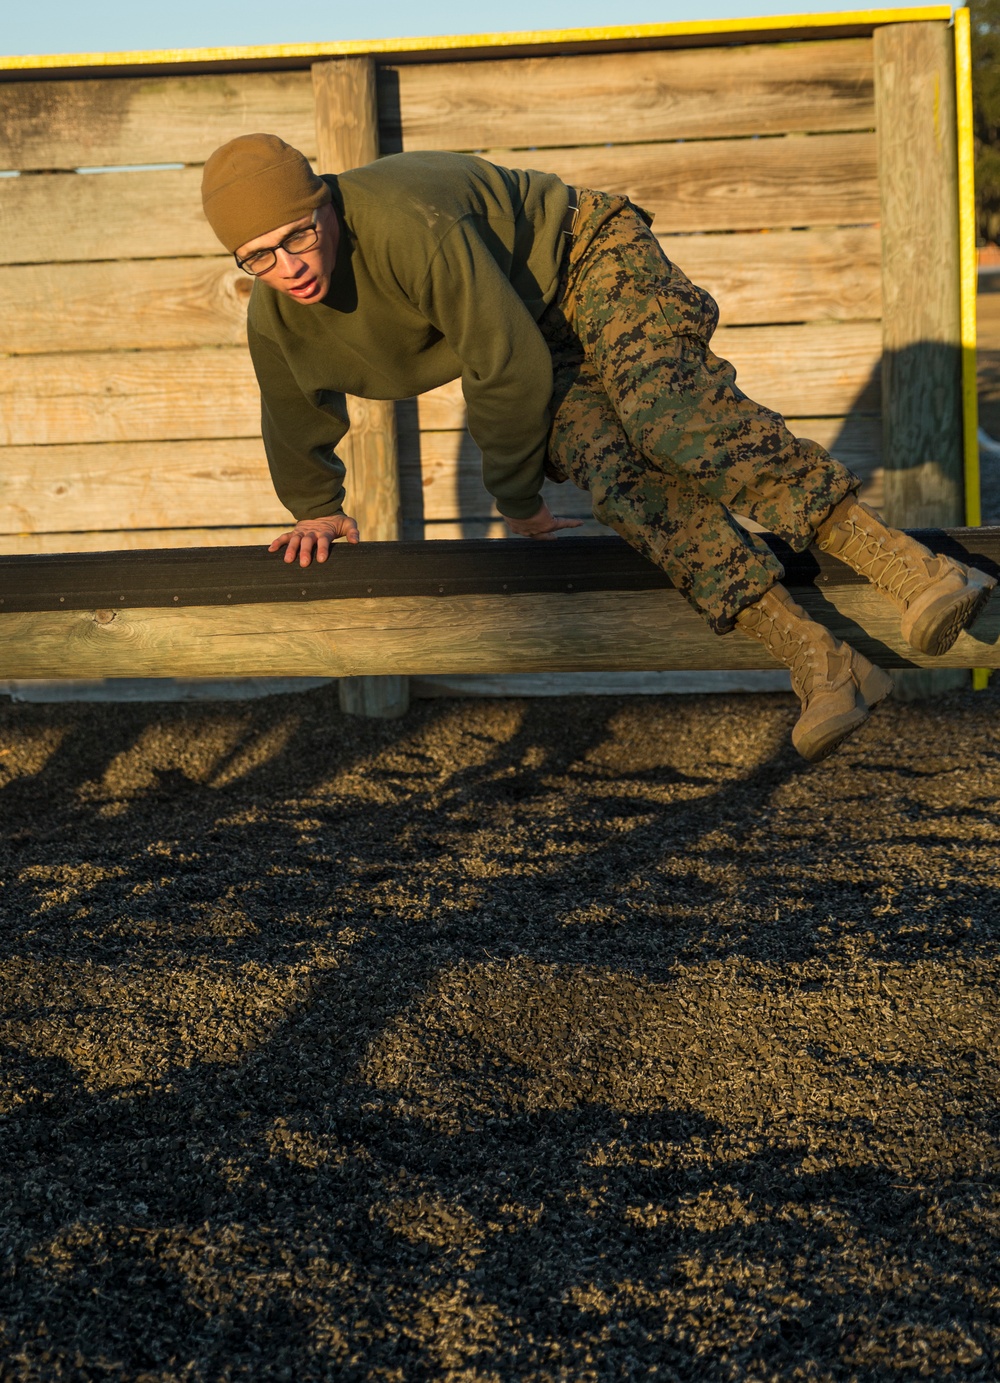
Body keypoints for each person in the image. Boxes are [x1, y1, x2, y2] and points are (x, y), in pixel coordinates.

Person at [200, 134, 994, 762]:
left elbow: (503, 364)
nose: (288, 265)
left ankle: (911, 567)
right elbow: (292, 407)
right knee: (621, 482)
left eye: (298, 234)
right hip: (533, 330)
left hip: (583, 259)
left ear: (324, 204)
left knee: (668, 413)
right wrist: (315, 509)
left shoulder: (410, 225)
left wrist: (515, 497)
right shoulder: (277, 315)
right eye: (257, 256)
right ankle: (825, 664)